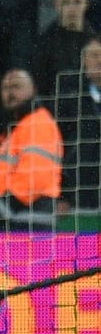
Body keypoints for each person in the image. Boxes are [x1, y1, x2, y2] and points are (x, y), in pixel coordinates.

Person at [0, 68, 64, 230]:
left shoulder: (38, 123)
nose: (10, 93)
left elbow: (35, 178)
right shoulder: (21, 126)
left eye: (16, 86)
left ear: (33, 90)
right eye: (5, 88)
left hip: (26, 222)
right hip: (14, 218)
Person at [55, 37, 101, 212]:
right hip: (78, 189)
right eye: (94, 55)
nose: (100, 60)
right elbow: (60, 143)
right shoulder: (68, 95)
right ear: (84, 60)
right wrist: (62, 193)